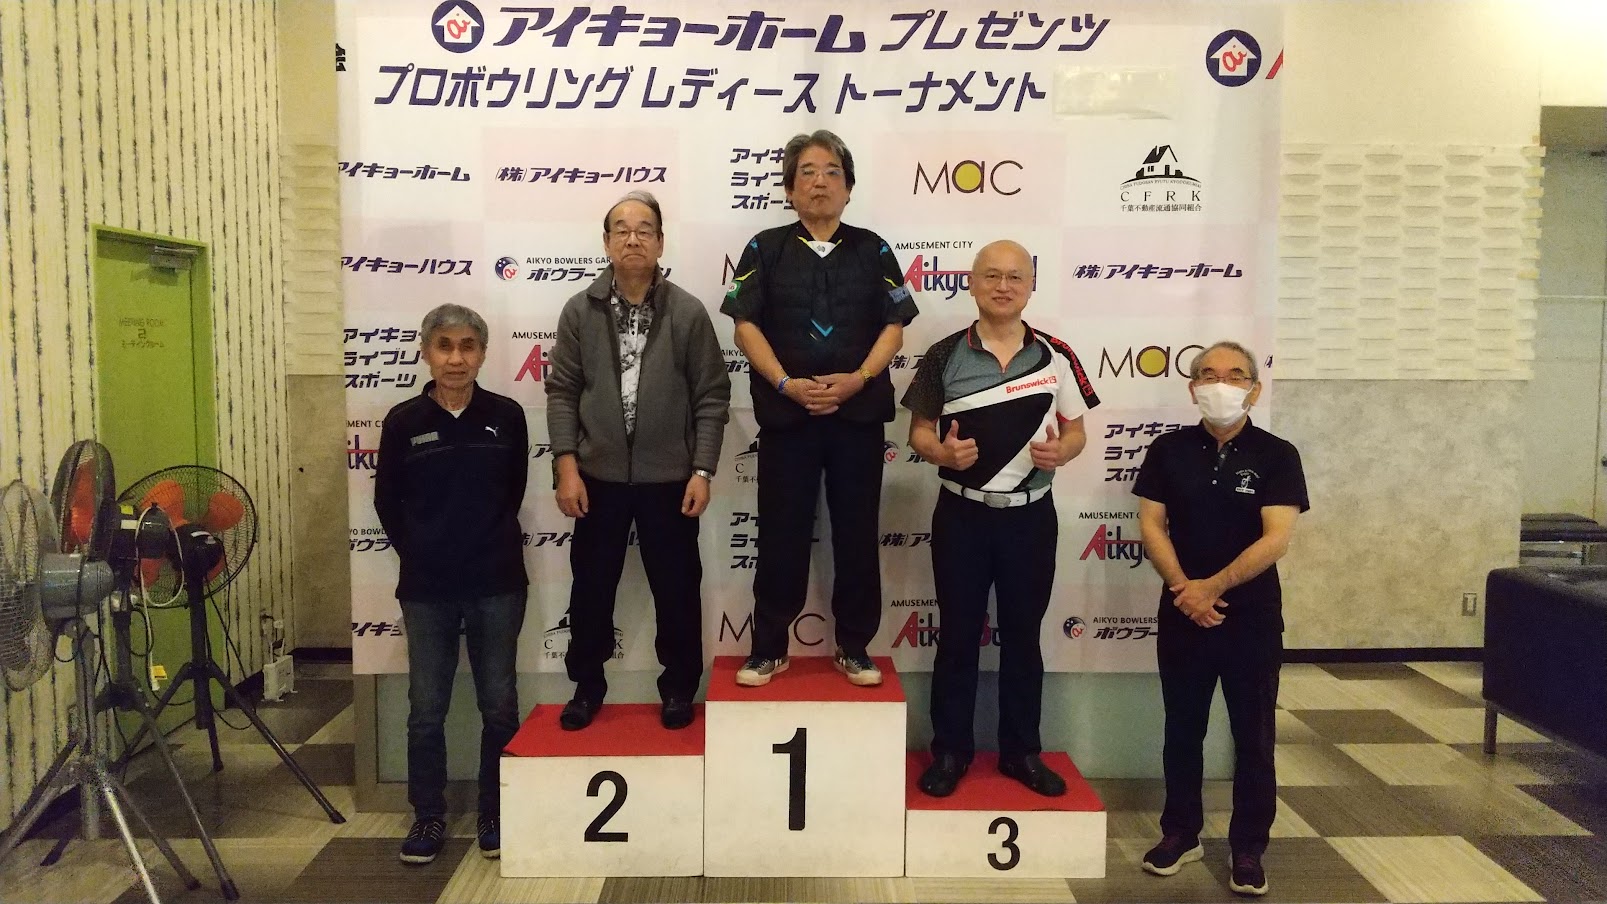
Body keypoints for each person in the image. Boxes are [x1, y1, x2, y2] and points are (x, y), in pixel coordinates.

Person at [901, 240, 1099, 798]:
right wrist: (941, 453)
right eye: (991, 275)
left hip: (1030, 521)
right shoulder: (944, 354)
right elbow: (918, 433)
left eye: (1015, 277)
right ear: (971, 283)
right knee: (957, 637)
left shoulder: (1057, 354)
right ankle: (949, 752)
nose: (1003, 286)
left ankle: (1021, 752)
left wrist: (1063, 452)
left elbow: (1077, 431)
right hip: (961, 516)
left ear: (1031, 286)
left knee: (1023, 638)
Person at [721, 129, 918, 688]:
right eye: (806, 172)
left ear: (849, 188)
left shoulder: (874, 249)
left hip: (857, 418)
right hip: (788, 418)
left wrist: (859, 380)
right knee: (780, 533)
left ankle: (855, 646)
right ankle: (768, 647)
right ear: (789, 189)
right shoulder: (765, 248)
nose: (819, 182)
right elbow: (744, 326)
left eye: (832, 172)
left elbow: (895, 327)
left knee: (857, 533)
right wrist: (786, 383)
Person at [546, 190, 731, 731]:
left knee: (677, 589)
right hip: (597, 477)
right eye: (621, 230)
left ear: (660, 242)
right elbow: (562, 393)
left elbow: (711, 396)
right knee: (590, 588)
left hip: (670, 479)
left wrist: (702, 469)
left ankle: (678, 689)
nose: (633, 239)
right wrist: (566, 466)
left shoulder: (687, 311)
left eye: (644, 229)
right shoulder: (580, 311)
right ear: (606, 243)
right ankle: (586, 686)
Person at [1132, 341, 1308, 897]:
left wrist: (1213, 587)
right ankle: (1180, 833)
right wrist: (1185, 590)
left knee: (1253, 734)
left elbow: (1277, 538)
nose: (1220, 384)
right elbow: (1152, 525)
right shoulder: (1167, 450)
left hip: (1251, 615)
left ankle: (1248, 847)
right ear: (1192, 388)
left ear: (1254, 389)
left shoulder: (1278, 454)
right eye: (1208, 375)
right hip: (1181, 610)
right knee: (1182, 728)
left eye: (1234, 375)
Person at [374, 304, 530, 865]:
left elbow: (512, 493)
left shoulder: (507, 416)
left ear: (482, 353)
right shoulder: (402, 421)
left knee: (499, 706)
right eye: (445, 346)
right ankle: (428, 816)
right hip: (427, 589)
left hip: (496, 582)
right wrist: (425, 553)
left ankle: (496, 811)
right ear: (426, 352)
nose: (456, 358)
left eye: (467, 346)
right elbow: (387, 503)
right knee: (425, 709)